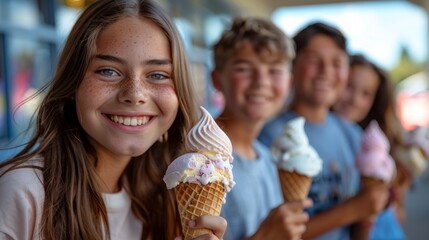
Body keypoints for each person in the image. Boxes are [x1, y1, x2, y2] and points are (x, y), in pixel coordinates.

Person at [0, 0, 226, 239]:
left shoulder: (168, 197)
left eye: (158, 75)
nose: (135, 94)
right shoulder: (23, 193)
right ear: (72, 83)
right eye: (108, 71)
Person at [258, 22, 389, 240]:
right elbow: (270, 233)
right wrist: (353, 210)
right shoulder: (270, 137)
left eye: (337, 62)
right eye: (313, 60)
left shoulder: (353, 135)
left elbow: (361, 221)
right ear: (292, 66)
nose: (326, 72)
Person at [211, 17, 313, 240]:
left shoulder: (268, 158)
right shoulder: (196, 160)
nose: (261, 82)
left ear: (289, 82)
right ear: (217, 79)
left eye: (275, 71)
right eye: (244, 69)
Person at [333, 54, 412, 239]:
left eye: (366, 94)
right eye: (349, 87)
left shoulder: (374, 143)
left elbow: (399, 215)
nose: (354, 99)